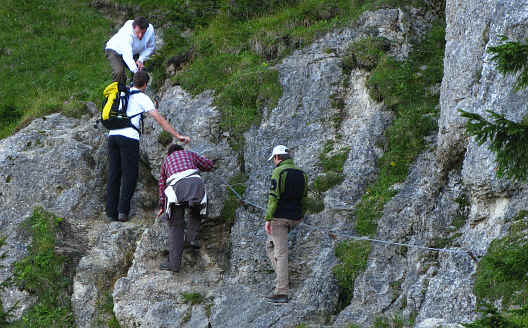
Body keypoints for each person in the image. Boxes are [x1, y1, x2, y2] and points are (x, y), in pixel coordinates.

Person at [106, 71, 190, 223]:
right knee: (129, 174)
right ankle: (122, 212)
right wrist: (177, 135)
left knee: (113, 174)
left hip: (112, 136)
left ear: (133, 82)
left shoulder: (121, 93)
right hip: (129, 138)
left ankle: (110, 212)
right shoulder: (142, 97)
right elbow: (160, 120)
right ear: (145, 85)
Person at [158, 144, 214, 272]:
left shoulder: (166, 162)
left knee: (175, 225)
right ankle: (191, 238)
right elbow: (207, 165)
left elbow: (161, 183)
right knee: (196, 211)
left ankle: (174, 264)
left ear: (169, 154)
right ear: (181, 150)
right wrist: (212, 163)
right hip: (195, 184)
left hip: (175, 188)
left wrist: (162, 205)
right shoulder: (189, 154)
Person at [264, 145, 308, 304]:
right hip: (295, 218)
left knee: (280, 253)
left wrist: (268, 219)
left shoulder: (278, 172)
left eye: (274, 159)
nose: (274, 162)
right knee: (270, 246)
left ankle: (282, 291)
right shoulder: (302, 174)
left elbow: (273, 197)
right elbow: (304, 197)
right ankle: (283, 278)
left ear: (277, 157)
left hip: (279, 218)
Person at [105, 16, 155, 87]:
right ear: (133, 28)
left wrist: (141, 59)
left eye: (143, 33)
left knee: (141, 69)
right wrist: (137, 72)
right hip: (115, 50)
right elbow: (127, 56)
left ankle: (135, 90)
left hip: (133, 51)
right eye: (138, 32)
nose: (140, 36)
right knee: (119, 72)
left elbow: (151, 47)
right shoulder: (127, 34)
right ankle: (118, 94)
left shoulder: (150, 30)